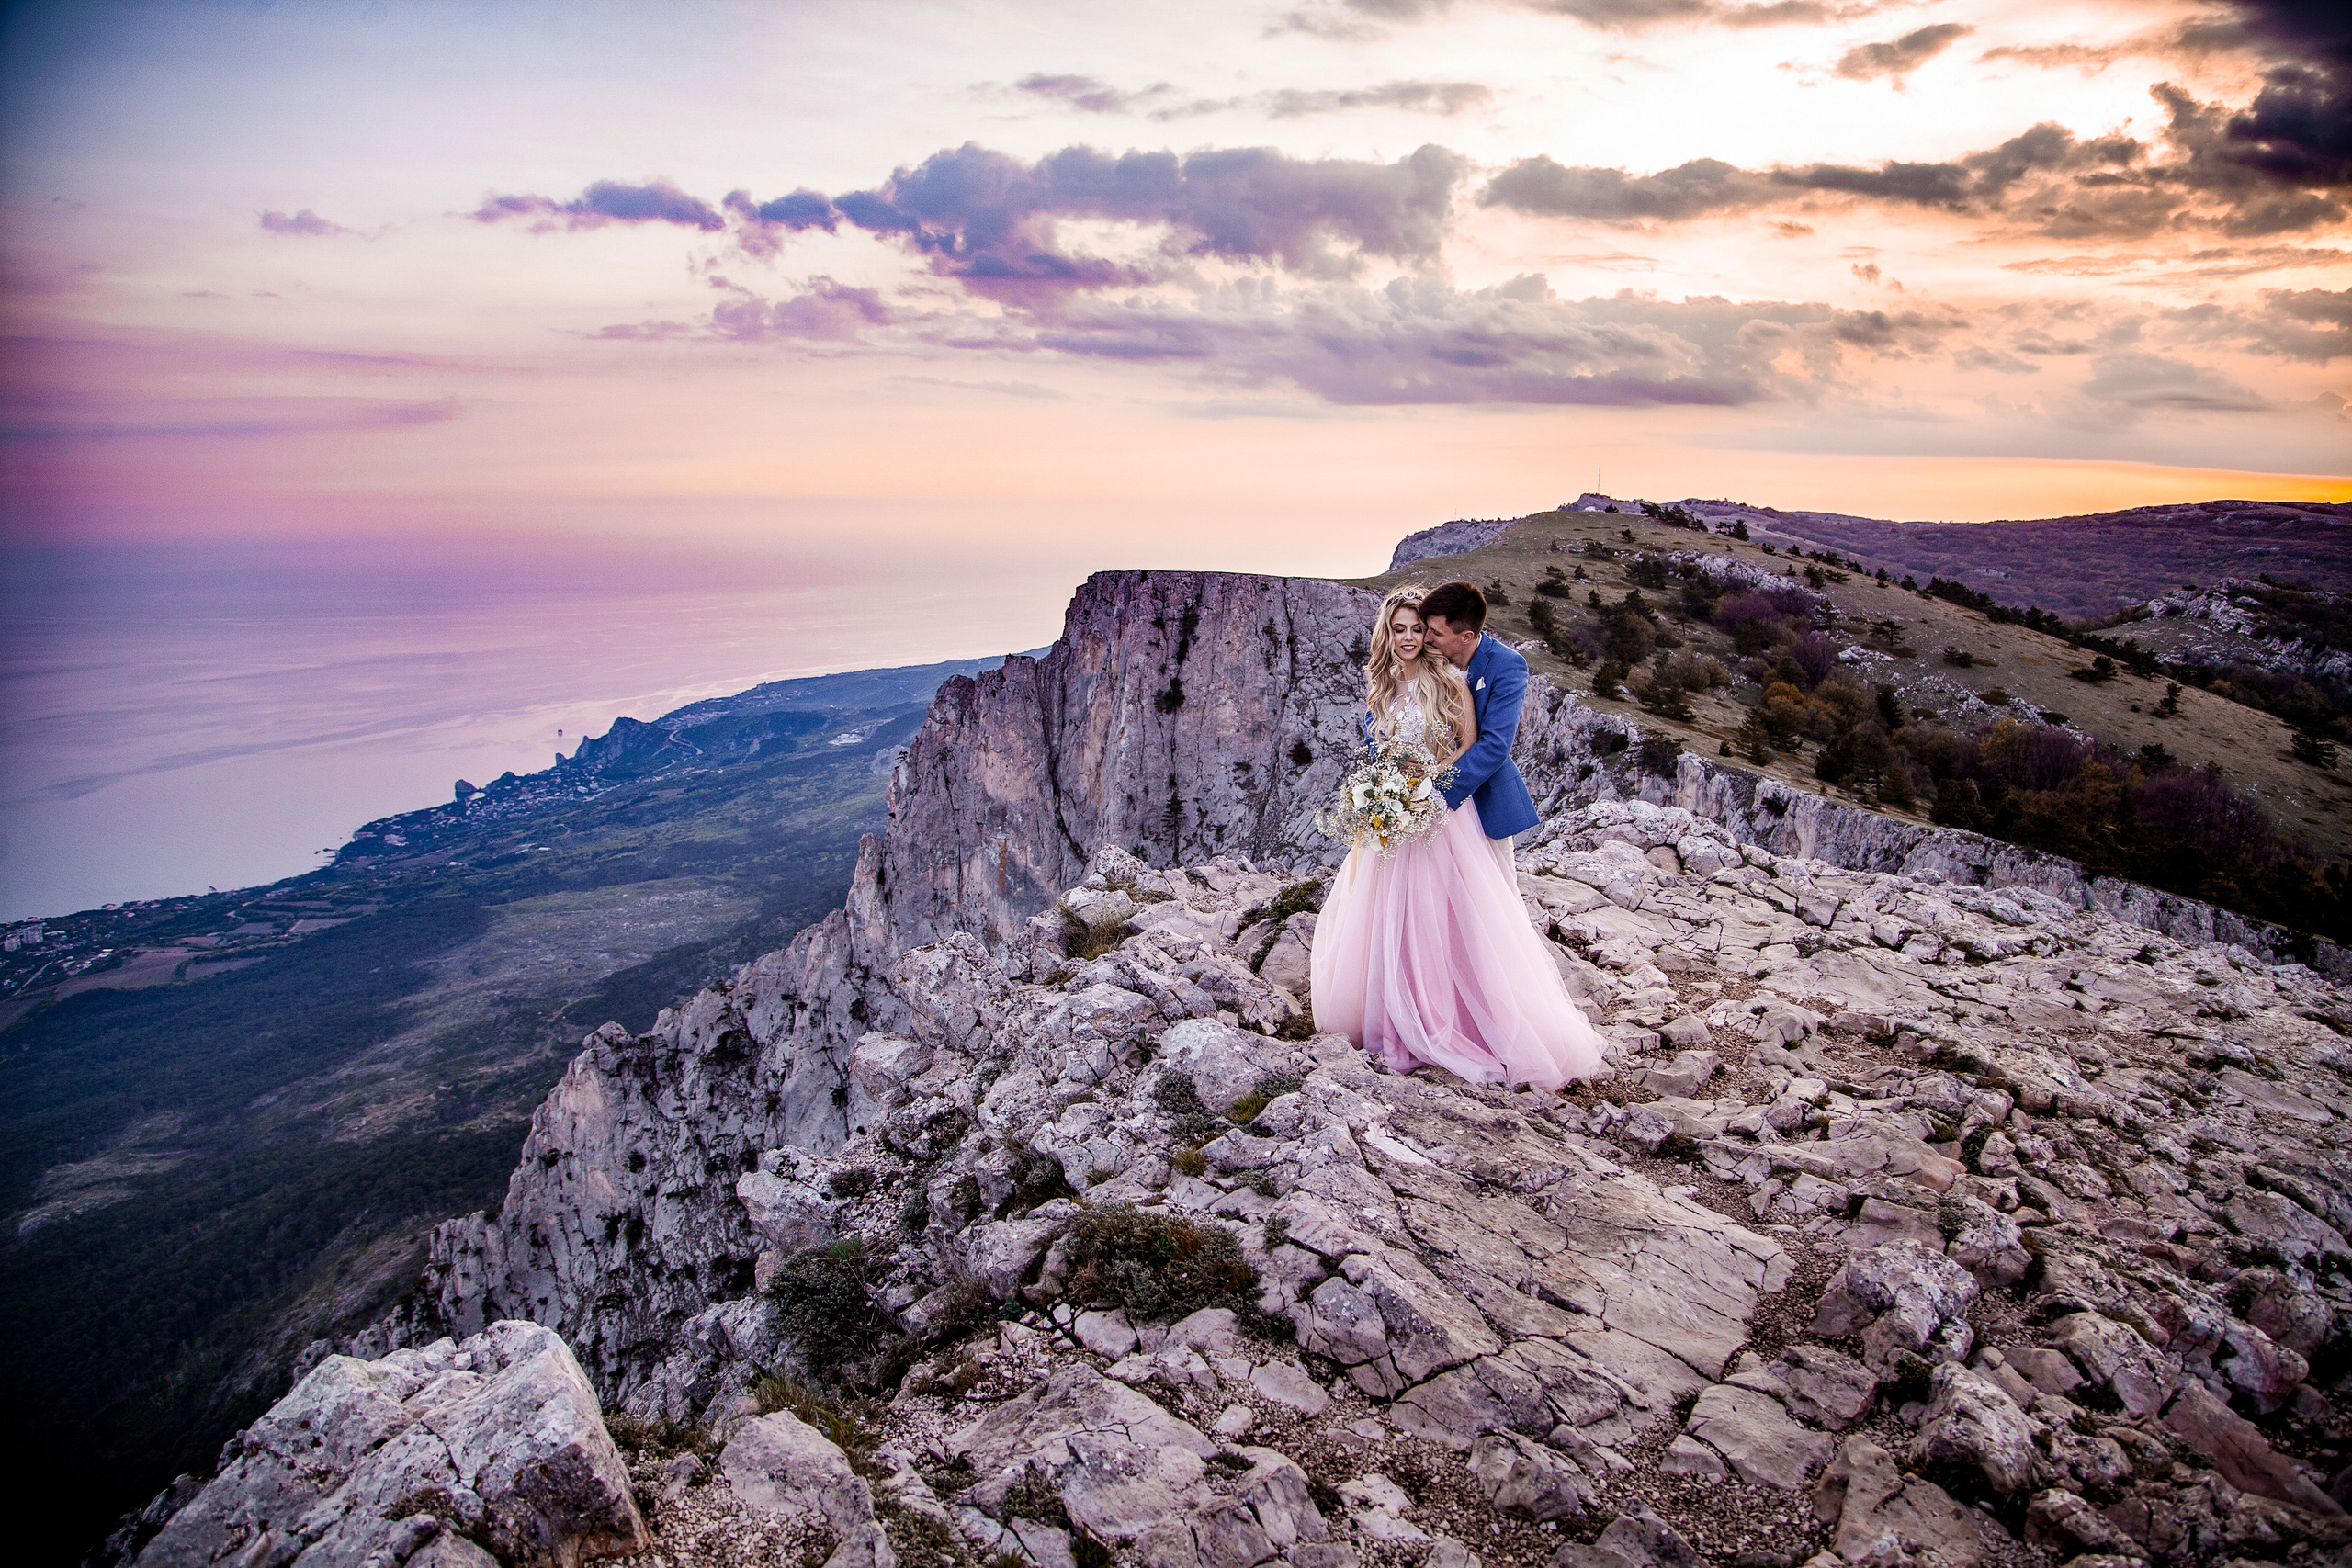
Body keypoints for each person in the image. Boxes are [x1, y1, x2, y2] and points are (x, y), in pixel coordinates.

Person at [1309, 582, 1605, 1089]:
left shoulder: (1470, 674)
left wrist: (1426, 792)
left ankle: (1470, 1017)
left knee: (1467, 914)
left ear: (1450, 634)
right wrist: (1381, 790)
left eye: (1422, 629)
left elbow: (1485, 746)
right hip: (1394, 813)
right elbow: (1373, 744)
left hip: (1448, 809)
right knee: (1392, 916)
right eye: (1400, 628)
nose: (1413, 637)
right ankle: (1394, 1013)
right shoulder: (1381, 685)